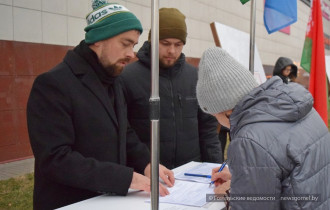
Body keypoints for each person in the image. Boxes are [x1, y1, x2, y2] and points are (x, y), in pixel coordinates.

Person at [26, 2, 174, 210]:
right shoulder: (53, 84)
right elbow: (55, 159)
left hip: (109, 201)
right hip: (71, 203)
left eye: (134, 45)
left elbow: (125, 133)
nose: (132, 53)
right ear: (98, 40)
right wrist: (126, 178)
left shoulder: (113, 80)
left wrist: (147, 163)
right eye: (126, 43)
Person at [196, 47, 330, 209]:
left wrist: (233, 194)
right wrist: (243, 179)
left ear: (223, 111)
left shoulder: (248, 140)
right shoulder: (300, 109)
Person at [119, 8, 222, 169]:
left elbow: (208, 130)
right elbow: (122, 133)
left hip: (190, 175)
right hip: (146, 176)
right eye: (165, 43)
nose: (172, 51)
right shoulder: (127, 77)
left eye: (178, 44)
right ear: (152, 40)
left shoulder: (195, 77)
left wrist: (215, 167)